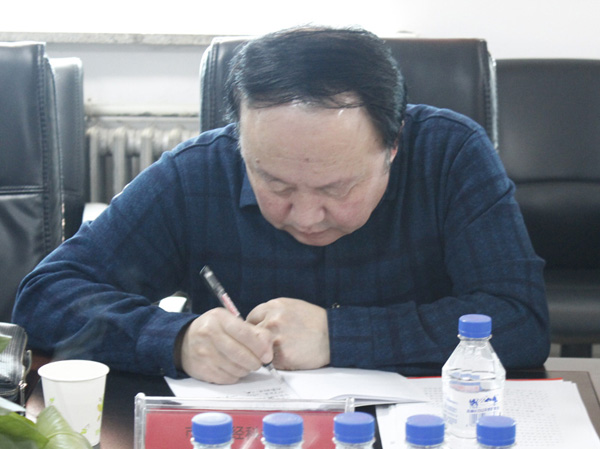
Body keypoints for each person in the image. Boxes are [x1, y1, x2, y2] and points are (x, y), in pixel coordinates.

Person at [12, 27, 550, 384]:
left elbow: (520, 320)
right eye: (276, 184)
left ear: (393, 146)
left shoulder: (450, 155)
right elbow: (46, 297)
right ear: (242, 142)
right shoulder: (199, 170)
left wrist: (338, 336)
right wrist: (175, 339)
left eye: (337, 188)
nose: (306, 216)